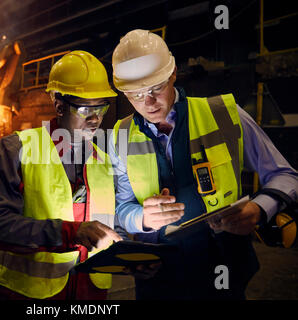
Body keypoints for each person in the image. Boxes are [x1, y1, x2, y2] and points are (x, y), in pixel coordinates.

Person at [109, 29, 298, 299]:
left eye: (155, 88)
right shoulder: (120, 135)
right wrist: (142, 218)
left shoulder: (224, 114)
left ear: (173, 72)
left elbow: (286, 176)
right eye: (135, 94)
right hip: (157, 278)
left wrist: (258, 209)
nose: (148, 102)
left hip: (223, 270)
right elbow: (121, 207)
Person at [0, 50, 123, 300]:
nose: (96, 119)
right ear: (59, 106)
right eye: (86, 109)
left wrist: (134, 250)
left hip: (91, 294)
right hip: (33, 296)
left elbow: (112, 225)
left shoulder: (103, 160)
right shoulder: (17, 149)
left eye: (102, 107)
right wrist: (68, 233)